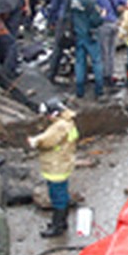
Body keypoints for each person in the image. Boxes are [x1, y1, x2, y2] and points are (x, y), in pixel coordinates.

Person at [28, 98, 78, 239]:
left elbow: (46, 141)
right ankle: (62, 222)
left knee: (57, 196)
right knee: (62, 193)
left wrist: (34, 141)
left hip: (56, 166)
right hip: (64, 162)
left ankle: (58, 226)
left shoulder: (59, 126)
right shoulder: (68, 122)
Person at [69, 0, 105, 100]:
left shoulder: (74, 0)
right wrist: (102, 15)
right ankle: (99, 90)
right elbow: (96, 21)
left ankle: (79, 90)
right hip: (90, 35)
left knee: (79, 63)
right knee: (96, 62)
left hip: (78, 34)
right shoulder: (91, 2)